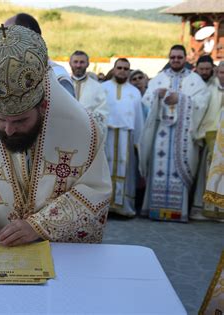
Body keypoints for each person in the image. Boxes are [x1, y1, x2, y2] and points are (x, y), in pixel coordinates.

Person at [0, 25, 111, 247]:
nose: (9, 130)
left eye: (20, 120)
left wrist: (40, 226)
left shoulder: (82, 130)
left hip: (60, 258)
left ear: (43, 107)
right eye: (1, 120)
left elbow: (96, 191)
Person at [139, 45, 209, 222]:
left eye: (179, 57)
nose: (176, 60)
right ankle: (155, 210)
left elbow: (203, 102)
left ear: (185, 58)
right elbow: (146, 100)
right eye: (173, 57)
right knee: (158, 169)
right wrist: (157, 96)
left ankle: (178, 212)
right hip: (161, 135)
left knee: (180, 171)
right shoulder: (159, 79)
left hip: (184, 137)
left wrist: (182, 99)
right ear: (169, 58)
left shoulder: (195, 80)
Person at [102, 58, 144, 217]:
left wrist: (138, 141)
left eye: (126, 68)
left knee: (124, 169)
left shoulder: (134, 92)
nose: (122, 71)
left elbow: (138, 118)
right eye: (119, 67)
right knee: (104, 169)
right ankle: (104, 207)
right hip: (107, 135)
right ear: (114, 69)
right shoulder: (102, 88)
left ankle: (122, 206)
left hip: (126, 136)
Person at [4, 13, 75, 97]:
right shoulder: (6, 74)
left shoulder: (58, 76)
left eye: (7, 35)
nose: (3, 41)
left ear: (27, 38)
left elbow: (64, 109)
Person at [192, 62, 224, 221]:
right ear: (217, 72)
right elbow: (203, 112)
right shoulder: (209, 90)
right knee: (208, 174)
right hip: (211, 136)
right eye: (221, 72)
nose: (223, 76)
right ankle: (207, 209)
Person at [69, 50, 108, 135]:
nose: (78, 65)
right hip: (66, 129)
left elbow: (103, 111)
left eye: (82, 62)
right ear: (70, 63)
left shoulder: (97, 87)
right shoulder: (63, 84)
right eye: (75, 62)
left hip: (88, 132)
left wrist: (86, 118)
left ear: (88, 64)